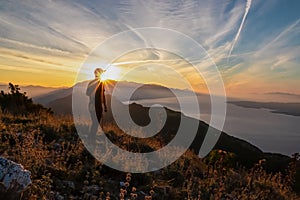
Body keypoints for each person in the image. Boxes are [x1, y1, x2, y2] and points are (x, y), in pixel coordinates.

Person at [86, 68, 107, 145]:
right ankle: (91, 138)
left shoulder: (98, 83)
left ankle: (91, 138)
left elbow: (102, 95)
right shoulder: (99, 83)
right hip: (95, 105)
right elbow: (88, 93)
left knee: (95, 123)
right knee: (95, 123)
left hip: (95, 105)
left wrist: (104, 106)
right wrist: (104, 106)